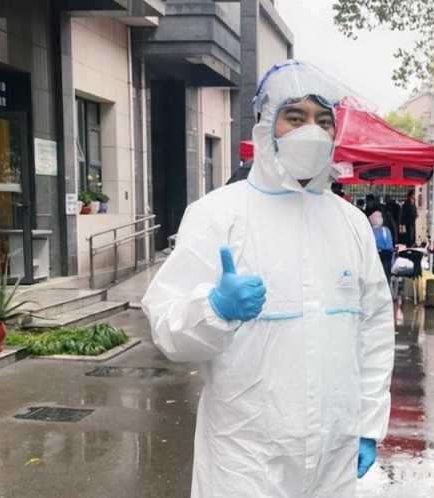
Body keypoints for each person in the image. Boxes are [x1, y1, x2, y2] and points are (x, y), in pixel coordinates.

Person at [142, 60, 395, 498]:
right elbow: (167, 329)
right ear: (265, 126)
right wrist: (213, 309)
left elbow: (373, 329)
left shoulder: (351, 223)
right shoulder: (218, 214)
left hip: (333, 454)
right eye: (295, 117)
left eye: (323, 121)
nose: (311, 132)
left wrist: (368, 425)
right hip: (244, 459)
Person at [369, 209, 394, 281]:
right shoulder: (387, 230)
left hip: (378, 255)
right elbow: (389, 245)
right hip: (388, 255)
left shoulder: (371, 231)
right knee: (386, 274)